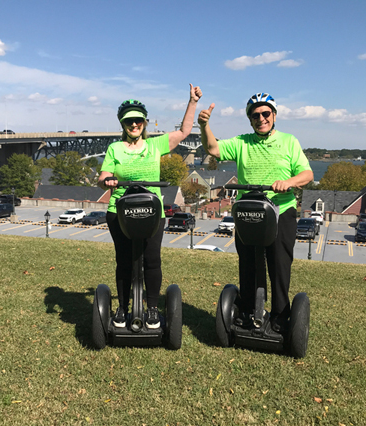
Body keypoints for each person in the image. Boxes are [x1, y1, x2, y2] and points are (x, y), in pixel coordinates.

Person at [198, 92, 313, 332]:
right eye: (255, 115)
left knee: (279, 264)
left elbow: (307, 174)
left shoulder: (289, 141)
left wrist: (289, 182)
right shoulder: (242, 142)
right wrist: (204, 125)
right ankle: (249, 310)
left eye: (265, 113)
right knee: (248, 263)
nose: (261, 118)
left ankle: (281, 315)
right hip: (249, 212)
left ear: (273, 115)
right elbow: (213, 149)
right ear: (250, 119)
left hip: (281, 210)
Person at [98, 84, 202, 329]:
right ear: (123, 125)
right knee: (124, 260)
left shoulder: (155, 146)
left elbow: (185, 132)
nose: (134, 125)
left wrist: (192, 102)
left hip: (151, 212)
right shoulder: (114, 149)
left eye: (138, 121)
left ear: (144, 122)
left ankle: (153, 308)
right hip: (120, 212)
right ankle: (123, 309)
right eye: (129, 122)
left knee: (152, 260)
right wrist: (107, 180)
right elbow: (103, 175)